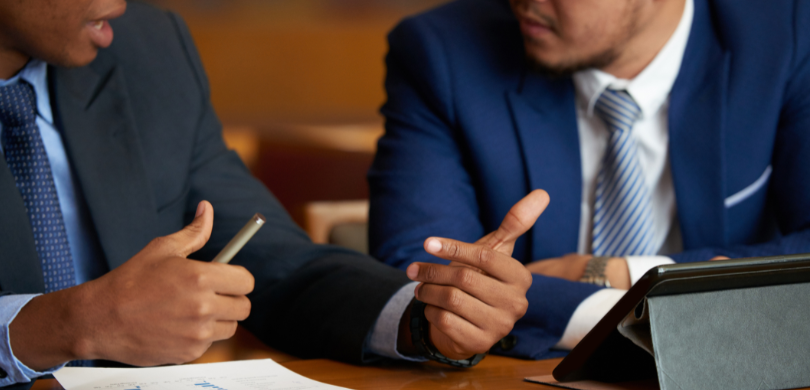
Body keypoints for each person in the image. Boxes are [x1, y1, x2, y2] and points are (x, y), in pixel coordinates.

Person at [0, 0, 538, 387]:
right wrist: (67, 324)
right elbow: (84, 319)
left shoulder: (147, 47)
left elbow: (281, 265)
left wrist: (427, 319)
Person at [369, 0, 810, 360]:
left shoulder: (787, 33)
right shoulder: (443, 51)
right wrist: (637, 317)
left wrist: (612, 273)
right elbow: (421, 275)